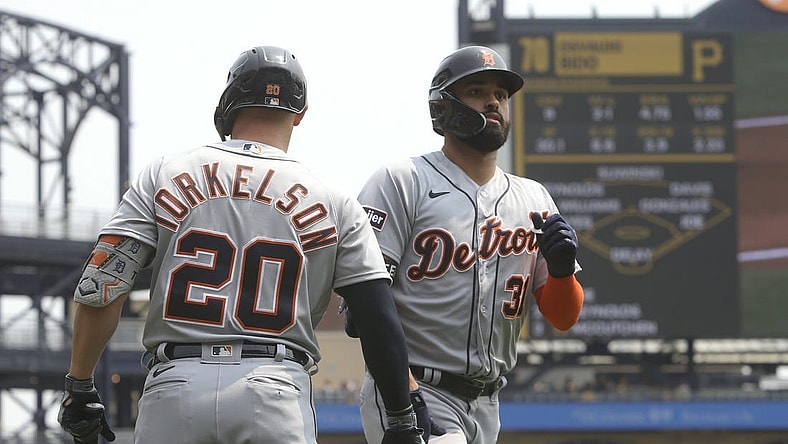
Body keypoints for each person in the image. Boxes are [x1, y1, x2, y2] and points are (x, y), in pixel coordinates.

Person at [57, 45, 423, 444]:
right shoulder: (334, 199)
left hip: (175, 385)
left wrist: (80, 385)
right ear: (300, 114)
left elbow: (102, 286)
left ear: (228, 104)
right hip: (275, 387)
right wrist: (401, 417)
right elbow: (376, 316)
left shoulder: (165, 173)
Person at [346, 45, 585, 443]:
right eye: (477, 90)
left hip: (489, 402)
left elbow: (563, 318)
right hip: (419, 387)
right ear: (444, 106)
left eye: (501, 94)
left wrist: (561, 273)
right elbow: (363, 308)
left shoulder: (534, 198)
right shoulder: (402, 181)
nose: (493, 101)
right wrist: (403, 397)